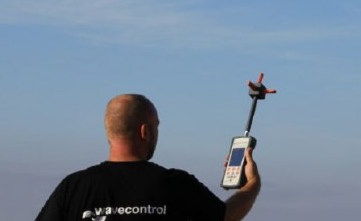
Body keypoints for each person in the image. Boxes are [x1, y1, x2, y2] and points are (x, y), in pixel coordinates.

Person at [35, 94, 261, 221]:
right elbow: (227, 216)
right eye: (156, 127)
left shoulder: (73, 187)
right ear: (146, 131)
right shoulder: (177, 184)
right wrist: (251, 184)